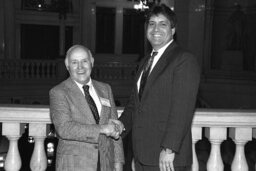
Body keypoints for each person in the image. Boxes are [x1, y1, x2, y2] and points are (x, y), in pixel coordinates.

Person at [119, 4, 200, 171]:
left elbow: (182, 110)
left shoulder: (184, 60)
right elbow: (135, 106)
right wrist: (119, 127)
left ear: (173, 30)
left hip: (167, 158)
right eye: (151, 23)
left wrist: (169, 148)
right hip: (142, 153)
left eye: (163, 24)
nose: (156, 28)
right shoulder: (145, 62)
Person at [49, 45, 124, 171]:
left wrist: (118, 163)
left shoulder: (105, 89)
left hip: (106, 163)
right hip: (74, 164)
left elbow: (114, 127)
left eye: (84, 61)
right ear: (67, 66)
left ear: (92, 62)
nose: (80, 67)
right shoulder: (58, 92)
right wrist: (102, 129)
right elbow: (64, 128)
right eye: (74, 62)